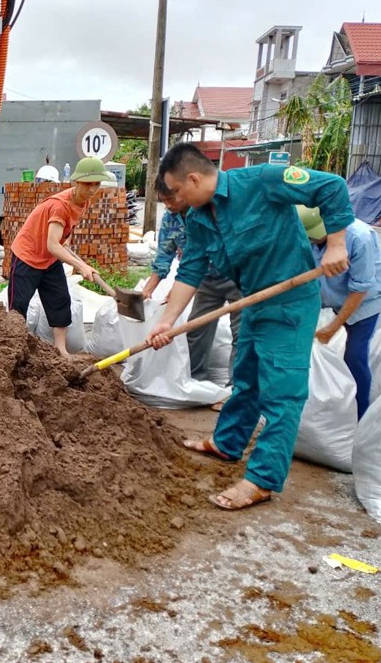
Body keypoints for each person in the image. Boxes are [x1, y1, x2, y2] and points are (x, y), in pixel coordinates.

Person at [146, 143, 353, 511]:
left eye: (176, 192)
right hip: (253, 299)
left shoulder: (263, 181)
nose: (174, 201)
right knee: (247, 380)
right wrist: (166, 321)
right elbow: (191, 269)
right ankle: (227, 443)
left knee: (282, 394)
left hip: (290, 302)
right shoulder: (197, 218)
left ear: (193, 178)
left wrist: (336, 244)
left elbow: (331, 186)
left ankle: (262, 480)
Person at [142, 186, 244, 406]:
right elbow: (165, 254)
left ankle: (236, 393)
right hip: (204, 279)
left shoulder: (211, 210)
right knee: (196, 329)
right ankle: (194, 382)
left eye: (171, 199)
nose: (168, 205)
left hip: (237, 277)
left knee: (241, 334)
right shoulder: (171, 219)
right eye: (164, 201)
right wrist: (148, 289)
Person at [8, 156, 113, 355]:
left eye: (96, 184)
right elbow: (52, 245)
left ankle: (60, 348)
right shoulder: (60, 205)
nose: (92, 189)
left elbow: (59, 239)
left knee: (60, 299)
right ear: (76, 182)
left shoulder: (83, 203)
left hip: (48, 258)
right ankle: (14, 350)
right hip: (27, 256)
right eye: (87, 184)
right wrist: (80, 266)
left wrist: (73, 256)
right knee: (18, 307)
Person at [298, 207, 381, 419]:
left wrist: (333, 327)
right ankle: (310, 405)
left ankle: (360, 415)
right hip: (327, 294)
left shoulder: (359, 236)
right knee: (302, 349)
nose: (312, 241)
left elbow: (360, 288)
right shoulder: (304, 235)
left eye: (315, 236)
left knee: (354, 354)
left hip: (365, 300)